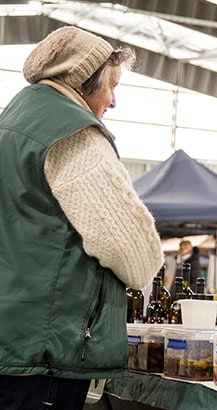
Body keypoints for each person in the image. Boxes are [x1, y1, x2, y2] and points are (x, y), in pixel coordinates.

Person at [0, 26, 163, 409]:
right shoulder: (71, 134)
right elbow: (132, 251)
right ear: (83, 82)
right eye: (111, 86)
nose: (113, 101)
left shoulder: (11, 125)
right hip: (45, 352)